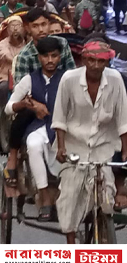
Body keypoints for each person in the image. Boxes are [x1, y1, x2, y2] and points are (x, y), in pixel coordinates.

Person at [53, 38, 127, 243]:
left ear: (107, 62)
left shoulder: (115, 80)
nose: (96, 65)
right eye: (91, 60)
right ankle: (71, 246)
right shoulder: (69, 79)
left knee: (107, 190)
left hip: (103, 148)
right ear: (84, 59)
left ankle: (103, 230)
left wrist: (126, 150)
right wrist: (61, 148)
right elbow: (59, 118)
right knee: (69, 195)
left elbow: (123, 120)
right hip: (74, 147)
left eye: (101, 61)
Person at [4, 37, 65, 221]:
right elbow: (8, 107)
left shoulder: (68, 78)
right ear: (39, 58)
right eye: (45, 56)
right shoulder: (30, 80)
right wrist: (26, 104)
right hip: (40, 127)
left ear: (59, 57)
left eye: (54, 56)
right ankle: (45, 197)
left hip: (65, 128)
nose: (50, 60)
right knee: (33, 145)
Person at [13, 8, 76, 85]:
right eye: (35, 26)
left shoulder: (62, 43)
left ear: (49, 24)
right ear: (28, 29)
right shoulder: (25, 56)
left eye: (43, 24)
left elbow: (72, 73)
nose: (41, 30)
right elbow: (20, 88)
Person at [0, 19, 26, 110]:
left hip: (24, 76)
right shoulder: (3, 43)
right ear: (8, 30)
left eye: (18, 26)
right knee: (3, 87)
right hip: (6, 76)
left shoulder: (27, 44)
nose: (15, 29)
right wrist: (16, 61)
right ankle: (1, 112)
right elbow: (4, 54)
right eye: (13, 26)